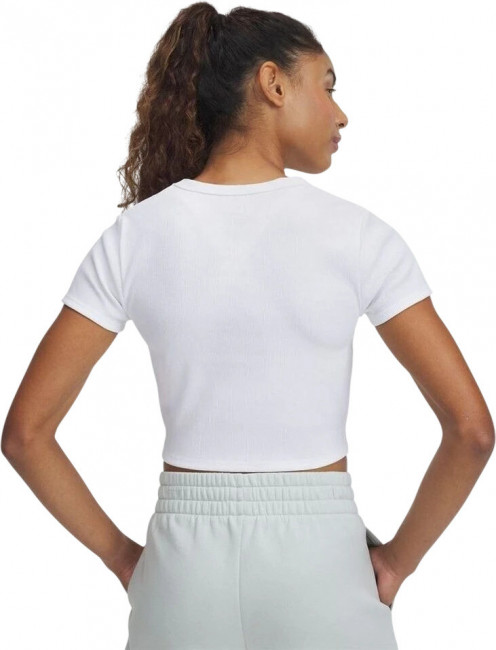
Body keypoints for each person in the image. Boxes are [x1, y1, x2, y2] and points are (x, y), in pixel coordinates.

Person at [2, 3, 494, 649]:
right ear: (273, 83)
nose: (341, 113)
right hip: (320, 562)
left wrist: (125, 560)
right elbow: (471, 431)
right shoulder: (359, 236)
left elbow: (26, 434)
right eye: (328, 85)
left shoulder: (135, 237)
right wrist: (399, 562)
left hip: (183, 564)